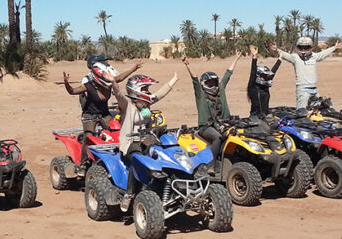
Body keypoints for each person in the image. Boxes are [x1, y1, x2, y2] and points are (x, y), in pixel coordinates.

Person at [106, 70, 178, 210]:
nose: (148, 91)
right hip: (130, 145)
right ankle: (129, 194)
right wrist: (113, 82)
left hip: (147, 141)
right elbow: (119, 95)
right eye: (145, 89)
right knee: (138, 160)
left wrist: (173, 80)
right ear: (136, 90)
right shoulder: (127, 105)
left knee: (167, 153)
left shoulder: (146, 103)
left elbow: (161, 93)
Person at [63, 57, 143, 166]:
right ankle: (83, 164)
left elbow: (120, 77)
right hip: (89, 115)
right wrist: (66, 83)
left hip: (104, 114)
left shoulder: (109, 82)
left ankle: (119, 154)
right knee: (88, 137)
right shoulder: (88, 86)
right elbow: (72, 91)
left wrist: (134, 68)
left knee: (117, 131)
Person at [182, 52, 241, 161]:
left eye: (214, 82)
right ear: (204, 84)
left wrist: (236, 58)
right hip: (206, 127)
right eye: (209, 83)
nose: (212, 85)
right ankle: (212, 164)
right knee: (217, 138)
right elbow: (194, 78)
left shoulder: (220, 90)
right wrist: (187, 64)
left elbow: (228, 74)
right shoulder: (201, 95)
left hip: (223, 123)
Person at [268, 37, 342, 109]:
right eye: (301, 47)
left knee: (316, 112)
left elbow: (323, 54)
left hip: (314, 90)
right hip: (302, 91)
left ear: (311, 48)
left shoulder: (314, 56)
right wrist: (276, 49)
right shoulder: (295, 57)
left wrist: (334, 47)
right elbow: (284, 54)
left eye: (306, 47)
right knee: (301, 114)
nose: (303, 50)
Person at [247, 44, 281, 118]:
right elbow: (253, 73)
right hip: (255, 119)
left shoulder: (265, 87)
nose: (266, 78)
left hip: (266, 118)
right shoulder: (252, 88)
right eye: (263, 76)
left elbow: (273, 72)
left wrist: (280, 59)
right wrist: (254, 57)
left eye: (266, 76)